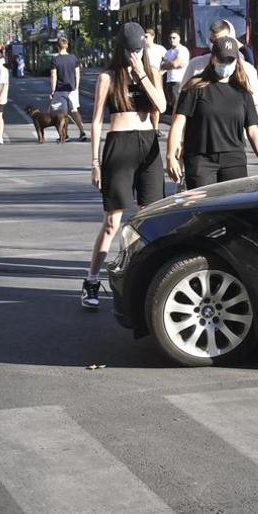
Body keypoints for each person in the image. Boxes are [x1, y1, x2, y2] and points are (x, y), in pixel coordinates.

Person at [83, 22, 168, 311]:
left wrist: (142, 73)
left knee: (149, 218)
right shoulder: (108, 77)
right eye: (131, 49)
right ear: (122, 48)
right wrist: (94, 162)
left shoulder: (151, 72)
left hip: (148, 145)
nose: (135, 53)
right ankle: (92, 279)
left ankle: (143, 279)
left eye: (139, 49)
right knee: (112, 221)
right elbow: (95, 121)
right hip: (119, 146)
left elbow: (162, 106)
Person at [165, 36, 258, 189]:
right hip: (200, 160)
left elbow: (252, 130)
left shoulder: (243, 92)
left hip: (234, 160)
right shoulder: (195, 87)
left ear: (236, 61)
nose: (226, 64)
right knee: (202, 209)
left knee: (232, 209)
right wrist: (171, 157)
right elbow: (178, 122)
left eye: (230, 60)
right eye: (222, 60)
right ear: (213, 58)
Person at [180, 20, 258, 168]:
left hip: (232, 146)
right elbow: (181, 110)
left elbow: (257, 109)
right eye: (213, 41)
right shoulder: (196, 66)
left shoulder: (247, 71)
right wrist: (179, 142)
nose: (216, 45)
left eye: (221, 40)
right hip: (199, 146)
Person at [47, 37, 89, 141]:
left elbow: (54, 76)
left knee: (61, 114)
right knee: (74, 111)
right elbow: (77, 74)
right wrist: (76, 87)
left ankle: (65, 135)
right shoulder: (73, 58)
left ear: (57, 46)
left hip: (60, 90)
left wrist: (52, 91)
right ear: (67, 46)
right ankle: (82, 132)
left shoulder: (55, 60)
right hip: (73, 89)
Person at [160, 30, 189, 114]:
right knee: (172, 103)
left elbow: (175, 64)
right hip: (169, 81)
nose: (172, 39)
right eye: (170, 38)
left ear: (179, 38)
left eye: (174, 37)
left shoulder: (182, 50)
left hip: (179, 80)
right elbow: (162, 66)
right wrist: (172, 64)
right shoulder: (168, 52)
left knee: (177, 104)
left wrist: (171, 64)